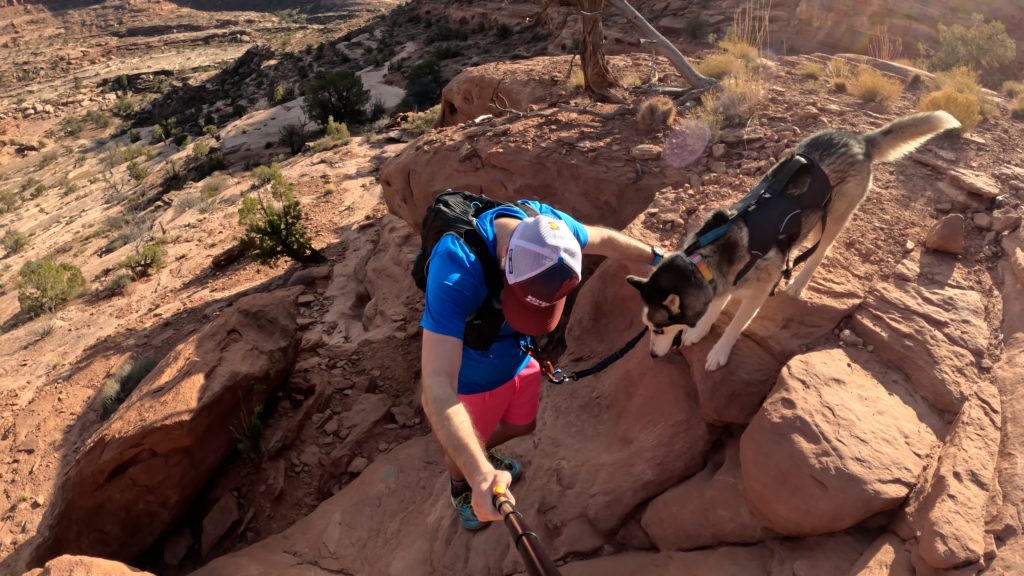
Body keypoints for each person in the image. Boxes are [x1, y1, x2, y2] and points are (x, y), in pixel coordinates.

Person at [418, 197, 665, 530]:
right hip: (474, 380)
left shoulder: (552, 234)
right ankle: (460, 486)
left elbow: (605, 240)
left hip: (519, 360)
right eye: (523, 303)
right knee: (473, 440)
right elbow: (436, 384)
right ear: (505, 259)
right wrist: (478, 474)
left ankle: (478, 449)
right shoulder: (455, 268)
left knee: (522, 426)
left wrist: (659, 258)